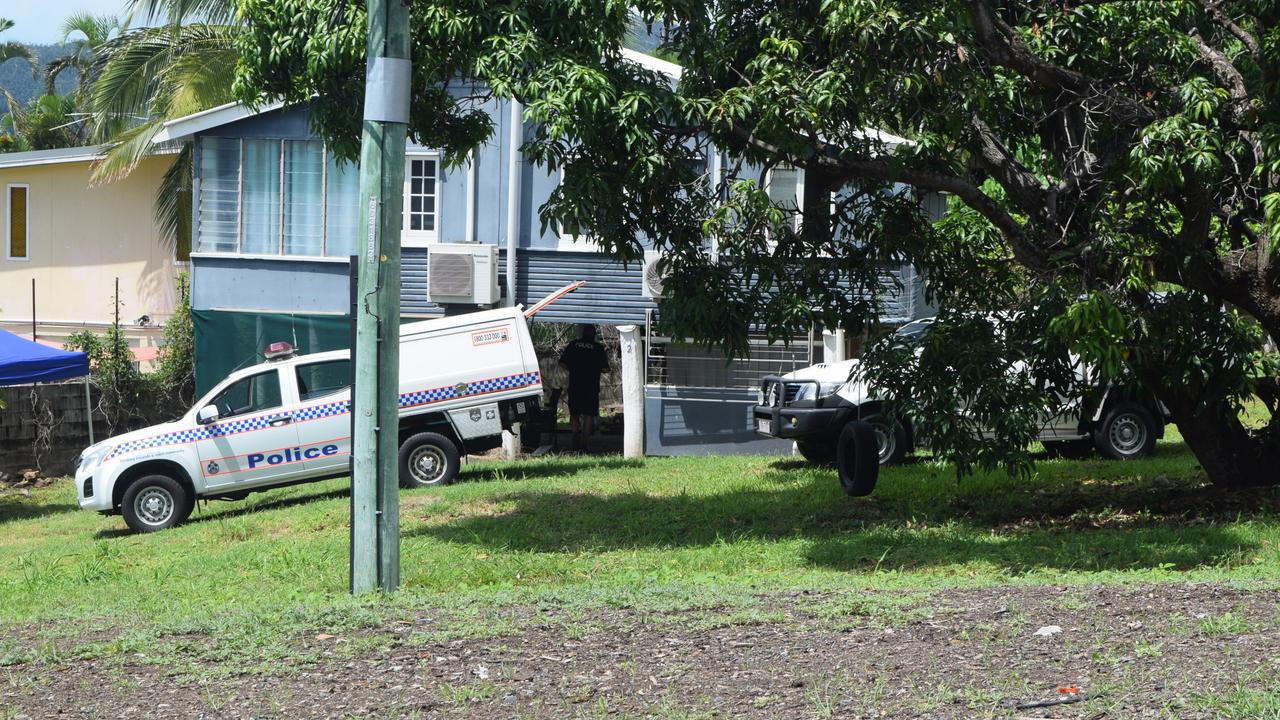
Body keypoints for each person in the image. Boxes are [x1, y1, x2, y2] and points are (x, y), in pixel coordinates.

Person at [558, 324, 610, 450]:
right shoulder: (598, 348)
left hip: (575, 385)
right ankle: (584, 443)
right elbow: (605, 369)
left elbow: (562, 363)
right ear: (594, 334)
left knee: (574, 413)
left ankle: (575, 437)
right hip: (591, 387)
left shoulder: (573, 345)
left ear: (582, 333)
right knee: (588, 414)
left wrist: (574, 369)